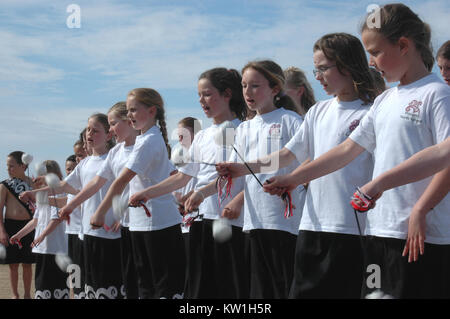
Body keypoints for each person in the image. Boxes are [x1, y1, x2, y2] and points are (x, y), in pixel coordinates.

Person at [263, 4, 450, 299]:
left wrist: (420, 208)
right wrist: (293, 179)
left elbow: (447, 157)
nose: (372, 62)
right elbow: (347, 149)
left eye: (375, 52)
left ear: (403, 46)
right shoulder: (385, 100)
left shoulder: (437, 94)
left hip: (420, 235)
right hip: (377, 232)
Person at [216, 35, 377, 298]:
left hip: (350, 227)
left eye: (324, 68)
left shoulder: (370, 111)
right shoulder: (318, 112)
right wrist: (242, 169)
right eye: (316, 69)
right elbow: (288, 154)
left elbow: (343, 155)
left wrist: (291, 180)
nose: (318, 76)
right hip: (311, 225)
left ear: (347, 66)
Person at [186, 60, 304, 298]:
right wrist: (200, 193)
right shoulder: (244, 129)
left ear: (275, 88)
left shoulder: (290, 120)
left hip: (285, 223)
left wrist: (289, 180)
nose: (248, 92)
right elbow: (233, 175)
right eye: (244, 86)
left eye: (255, 86)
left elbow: (303, 162)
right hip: (253, 223)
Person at [128, 69, 249, 299]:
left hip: (231, 224)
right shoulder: (204, 136)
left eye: (207, 94)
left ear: (227, 94)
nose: (201, 100)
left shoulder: (237, 130)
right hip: (203, 222)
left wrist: (202, 192)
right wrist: (147, 193)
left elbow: (233, 174)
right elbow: (183, 177)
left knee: (230, 292)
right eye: (199, 95)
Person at [88, 88, 184, 299]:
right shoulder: (143, 140)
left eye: (133, 110)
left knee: (163, 285)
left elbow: (122, 181)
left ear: (151, 111)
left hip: (159, 223)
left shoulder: (149, 140)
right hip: (140, 223)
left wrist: (100, 213)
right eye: (128, 110)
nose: (130, 115)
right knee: (145, 284)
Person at [59, 102, 140, 299]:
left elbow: (128, 188)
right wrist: (68, 203)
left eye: (98, 130)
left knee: (117, 283)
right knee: (92, 283)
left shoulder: (138, 148)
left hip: (117, 230)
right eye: (88, 129)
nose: (90, 134)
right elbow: (91, 185)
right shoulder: (107, 156)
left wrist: (121, 215)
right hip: (89, 230)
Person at [11, 160, 69, 299]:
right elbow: (36, 220)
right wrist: (18, 235)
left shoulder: (61, 192)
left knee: (57, 286)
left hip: (56, 248)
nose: (39, 178)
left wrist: (41, 236)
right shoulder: (43, 195)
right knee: (42, 285)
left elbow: (57, 218)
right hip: (42, 248)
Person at [0, 151, 35, 299]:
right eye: (7, 166)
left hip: (29, 226)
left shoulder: (33, 183)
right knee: (13, 264)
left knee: (27, 264)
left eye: (12, 166)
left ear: (23, 166)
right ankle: (15, 295)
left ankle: (27, 294)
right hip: (11, 226)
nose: (8, 169)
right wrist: (1, 231)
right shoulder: (4, 185)